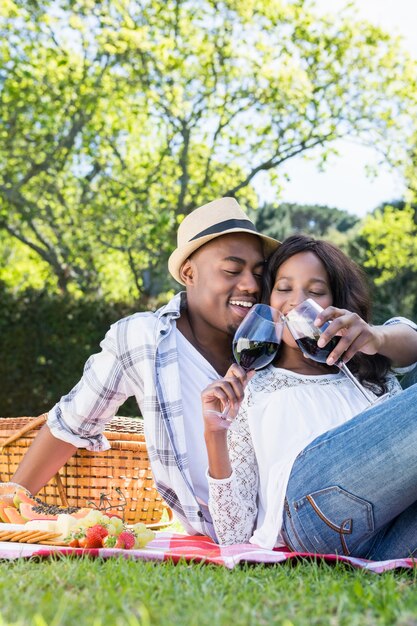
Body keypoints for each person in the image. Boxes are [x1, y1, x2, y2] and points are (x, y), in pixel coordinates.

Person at [2, 202, 416, 541]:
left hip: (350, 510)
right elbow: (72, 421)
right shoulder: (146, 340)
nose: (251, 286)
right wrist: (18, 491)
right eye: (233, 270)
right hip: (264, 519)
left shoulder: (281, 344)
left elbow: (400, 338)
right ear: (189, 274)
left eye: (259, 274)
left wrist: (374, 338)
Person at [202, 234, 417, 558]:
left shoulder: (370, 374)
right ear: (267, 300)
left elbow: (409, 337)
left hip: (387, 537)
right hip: (311, 518)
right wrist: (214, 433)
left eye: (315, 292)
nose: (295, 302)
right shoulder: (253, 388)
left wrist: (375, 336)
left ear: (336, 306)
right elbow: (234, 534)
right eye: (284, 289)